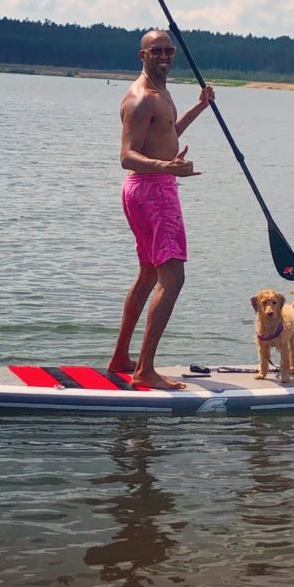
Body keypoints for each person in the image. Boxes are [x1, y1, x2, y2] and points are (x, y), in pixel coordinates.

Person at [106, 30, 214, 389]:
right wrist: (167, 168)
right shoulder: (141, 98)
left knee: (149, 275)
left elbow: (169, 134)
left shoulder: (162, 93)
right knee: (172, 279)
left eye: (169, 50)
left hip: (154, 187)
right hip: (151, 191)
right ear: (142, 55)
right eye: (157, 51)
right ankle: (145, 371)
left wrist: (200, 107)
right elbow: (126, 156)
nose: (165, 56)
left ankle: (122, 357)